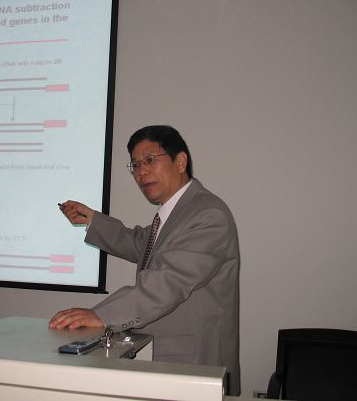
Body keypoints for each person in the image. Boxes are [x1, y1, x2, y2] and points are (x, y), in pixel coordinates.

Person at [49, 125, 240, 395]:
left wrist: (102, 315)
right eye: (136, 165)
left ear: (180, 161)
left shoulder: (207, 215)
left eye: (150, 160)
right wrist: (92, 220)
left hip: (195, 365)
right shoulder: (176, 214)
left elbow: (168, 281)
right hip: (171, 360)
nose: (141, 172)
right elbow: (140, 243)